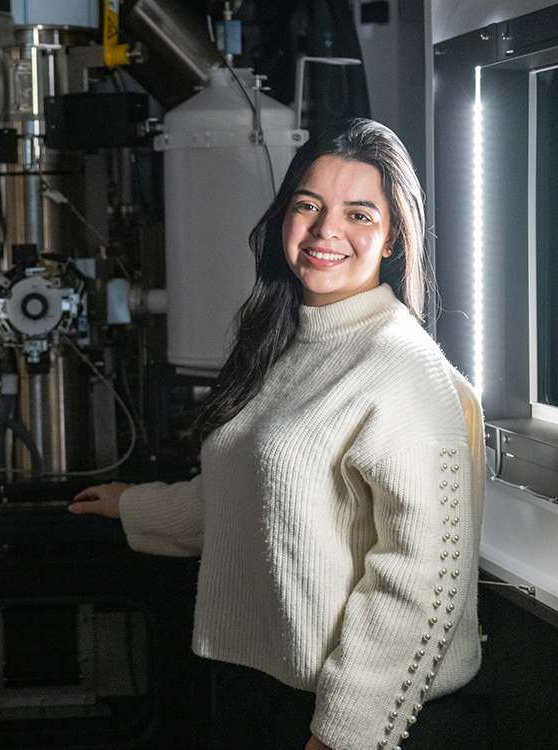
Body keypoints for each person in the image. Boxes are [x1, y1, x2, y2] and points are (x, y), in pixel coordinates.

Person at [70, 119, 485, 750]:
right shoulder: (288, 344)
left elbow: (422, 577)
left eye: (359, 214)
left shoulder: (401, 368)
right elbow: (254, 500)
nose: (326, 231)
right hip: (266, 689)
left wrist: (347, 732)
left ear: (395, 236)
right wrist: (136, 504)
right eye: (309, 206)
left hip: (353, 718)